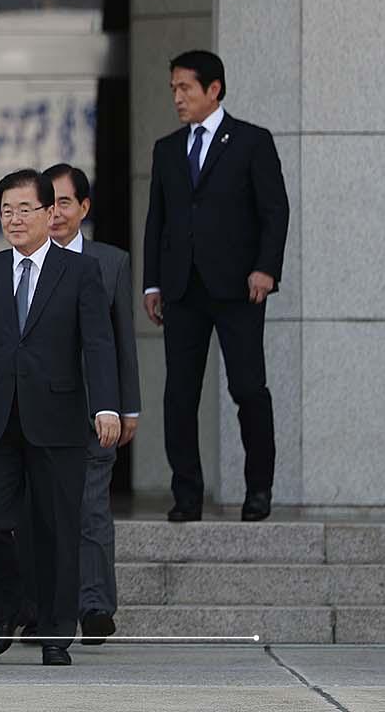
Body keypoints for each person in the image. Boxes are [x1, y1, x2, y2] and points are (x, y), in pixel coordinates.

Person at [0, 168, 119, 667]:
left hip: (59, 417)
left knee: (56, 528)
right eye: (6, 209)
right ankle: (9, 607)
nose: (15, 218)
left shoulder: (82, 272)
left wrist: (105, 405)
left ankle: (54, 630)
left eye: (26, 208)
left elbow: (97, 344)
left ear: (50, 214)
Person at [143, 50, 288, 524]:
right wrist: (151, 283)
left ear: (214, 89)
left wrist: (266, 268)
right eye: (173, 89)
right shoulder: (167, 149)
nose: (178, 97)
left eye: (185, 88)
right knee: (179, 395)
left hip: (239, 288)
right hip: (182, 288)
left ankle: (259, 490)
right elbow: (157, 220)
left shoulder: (251, 141)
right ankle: (187, 495)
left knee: (248, 388)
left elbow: (274, 211)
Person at [41, 162, 141, 642]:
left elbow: (124, 340)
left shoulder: (110, 261)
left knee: (91, 507)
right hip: (40, 409)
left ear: (84, 207)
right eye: (49, 202)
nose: (56, 212)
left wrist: (128, 407)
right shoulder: (25, 262)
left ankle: (96, 604)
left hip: (94, 409)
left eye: (65, 202)